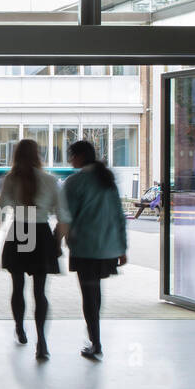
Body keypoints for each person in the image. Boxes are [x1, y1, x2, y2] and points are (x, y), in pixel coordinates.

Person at [0, 139, 69, 360]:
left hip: (20, 230)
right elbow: (63, 218)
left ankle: (20, 328)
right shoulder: (51, 180)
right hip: (40, 233)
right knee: (40, 292)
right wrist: (58, 242)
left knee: (17, 287)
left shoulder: (11, 179)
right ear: (37, 155)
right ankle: (41, 341)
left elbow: (1, 212)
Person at [62, 140, 129, 360]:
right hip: (108, 247)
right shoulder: (106, 179)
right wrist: (122, 247)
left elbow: (66, 217)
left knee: (89, 295)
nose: (70, 159)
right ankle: (95, 337)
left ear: (80, 156)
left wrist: (57, 241)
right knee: (95, 292)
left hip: (85, 247)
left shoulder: (75, 182)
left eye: (71, 155)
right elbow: (119, 215)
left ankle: (96, 342)